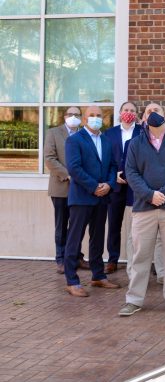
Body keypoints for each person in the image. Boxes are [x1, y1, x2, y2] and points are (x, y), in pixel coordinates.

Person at [121, 103, 165, 316]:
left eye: (157, 111)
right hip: (144, 208)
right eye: (149, 112)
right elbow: (131, 172)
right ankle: (134, 300)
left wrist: (163, 193)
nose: (153, 114)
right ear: (144, 118)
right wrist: (150, 195)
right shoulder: (135, 143)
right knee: (140, 256)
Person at [63, 106, 120, 296]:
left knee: (97, 238)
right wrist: (94, 186)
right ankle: (72, 280)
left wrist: (109, 185)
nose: (96, 118)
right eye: (92, 115)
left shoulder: (106, 140)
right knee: (75, 239)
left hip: (102, 198)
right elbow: (74, 168)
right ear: (84, 119)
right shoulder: (74, 140)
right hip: (82, 197)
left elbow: (113, 166)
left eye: (99, 116)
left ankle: (98, 276)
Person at [44, 106, 84, 274]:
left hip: (81, 188)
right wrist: (69, 175)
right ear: (64, 116)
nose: (73, 116)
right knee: (61, 225)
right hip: (61, 187)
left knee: (78, 225)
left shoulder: (84, 134)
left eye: (77, 114)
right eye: (70, 114)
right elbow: (49, 158)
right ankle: (61, 259)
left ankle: (76, 257)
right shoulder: (54, 133)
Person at [103, 101, 142, 274]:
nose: (129, 112)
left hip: (137, 185)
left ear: (137, 114)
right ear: (120, 113)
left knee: (139, 225)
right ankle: (112, 260)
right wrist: (113, 177)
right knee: (114, 224)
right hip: (116, 184)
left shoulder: (143, 132)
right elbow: (105, 158)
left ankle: (139, 260)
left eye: (132, 110)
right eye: (126, 110)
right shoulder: (109, 133)